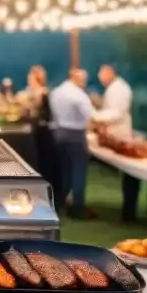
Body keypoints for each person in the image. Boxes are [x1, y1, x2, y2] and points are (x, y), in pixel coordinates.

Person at [49, 68, 95, 219]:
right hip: (76, 134)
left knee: (64, 171)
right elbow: (91, 117)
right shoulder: (79, 95)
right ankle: (78, 208)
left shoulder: (57, 92)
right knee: (78, 171)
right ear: (78, 79)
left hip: (60, 132)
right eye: (83, 79)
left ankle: (59, 203)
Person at [93, 65, 137, 220]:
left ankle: (129, 211)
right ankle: (127, 211)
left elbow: (117, 113)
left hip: (121, 136)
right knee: (127, 174)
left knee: (131, 172)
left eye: (102, 78)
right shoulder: (113, 88)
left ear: (110, 73)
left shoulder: (121, 89)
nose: (102, 82)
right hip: (113, 136)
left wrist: (95, 117)